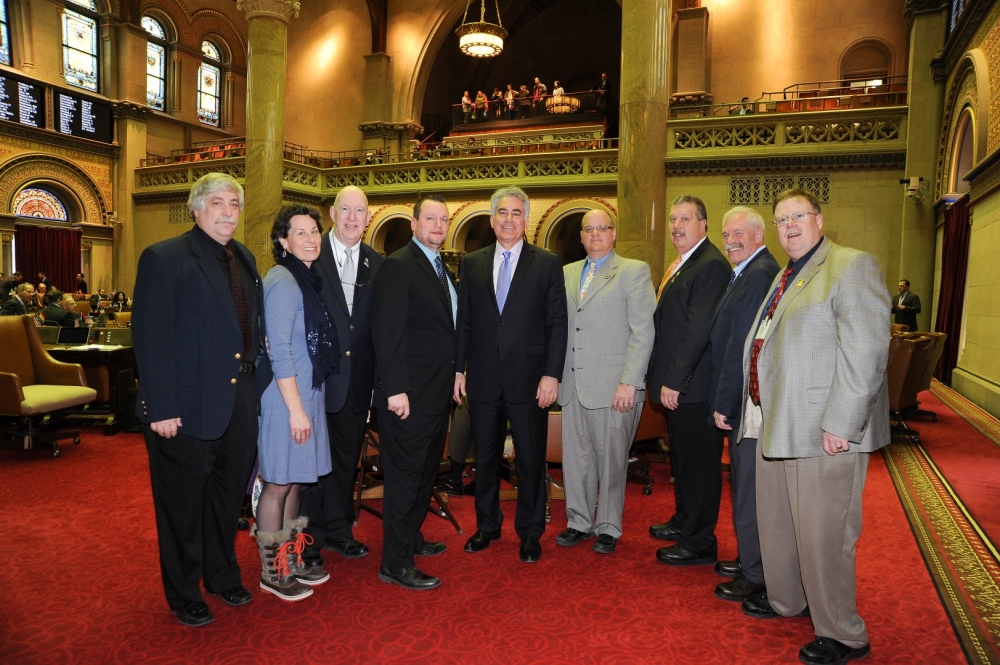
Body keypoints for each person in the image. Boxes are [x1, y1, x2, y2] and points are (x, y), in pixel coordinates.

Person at [738, 188, 889, 665]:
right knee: (779, 524)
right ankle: (788, 600)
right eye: (781, 220)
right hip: (776, 421)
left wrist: (842, 423)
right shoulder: (786, 274)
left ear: (820, 220)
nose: (789, 227)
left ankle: (843, 633)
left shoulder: (850, 265)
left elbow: (864, 352)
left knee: (825, 533)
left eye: (798, 217)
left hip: (825, 429)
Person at [132, 172, 263, 627]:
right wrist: (161, 406)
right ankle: (184, 591)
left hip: (238, 402)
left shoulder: (243, 257)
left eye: (234, 205)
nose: (228, 212)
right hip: (184, 409)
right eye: (219, 203)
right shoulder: (165, 258)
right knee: (183, 507)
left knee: (227, 501)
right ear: (196, 208)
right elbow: (150, 338)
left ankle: (222, 574)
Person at [454, 185, 568, 564]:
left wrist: (551, 375)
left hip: (530, 378)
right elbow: (465, 323)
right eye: (502, 212)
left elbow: (557, 322)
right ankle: (486, 526)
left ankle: (530, 531)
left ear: (526, 219)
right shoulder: (471, 263)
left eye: (516, 213)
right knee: (484, 456)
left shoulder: (547, 262)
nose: (508, 219)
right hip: (483, 376)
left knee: (531, 459)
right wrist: (458, 369)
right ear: (491, 219)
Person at [554, 209, 654, 554]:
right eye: (588, 229)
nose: (595, 233)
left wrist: (630, 381)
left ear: (614, 233)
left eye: (602, 227)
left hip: (615, 387)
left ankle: (609, 525)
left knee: (611, 460)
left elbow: (644, 332)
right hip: (573, 384)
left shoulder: (633, 271)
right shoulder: (565, 273)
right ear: (581, 237)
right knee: (577, 460)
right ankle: (578, 521)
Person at [253, 204, 338, 601]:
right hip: (286, 400)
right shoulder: (284, 281)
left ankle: (292, 558)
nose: (310, 239)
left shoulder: (307, 278)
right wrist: (296, 409)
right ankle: (272, 571)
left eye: (314, 232)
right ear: (283, 241)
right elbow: (281, 350)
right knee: (277, 483)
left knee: (295, 484)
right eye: (300, 233)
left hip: (304, 395)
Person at [371, 193, 455, 590]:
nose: (438, 226)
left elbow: (444, 332)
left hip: (437, 394)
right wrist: (396, 390)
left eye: (444, 220)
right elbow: (387, 336)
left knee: (424, 476)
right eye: (431, 219)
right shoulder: (398, 267)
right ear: (414, 224)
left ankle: (411, 538)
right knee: (405, 479)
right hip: (407, 398)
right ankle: (395, 562)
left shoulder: (441, 267)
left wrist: (457, 372)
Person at [299, 186, 384, 568]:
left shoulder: (376, 263)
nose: (352, 217)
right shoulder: (310, 256)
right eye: (345, 209)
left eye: (360, 211)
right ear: (332, 213)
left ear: (369, 218)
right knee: (312, 468)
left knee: (345, 463)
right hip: (316, 383)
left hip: (356, 385)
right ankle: (310, 541)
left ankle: (340, 530)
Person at [647, 195, 731, 566]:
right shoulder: (684, 263)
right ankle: (685, 520)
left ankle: (699, 541)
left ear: (703, 225)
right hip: (681, 387)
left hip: (694, 388)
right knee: (682, 460)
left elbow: (697, 331)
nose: (676, 226)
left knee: (700, 466)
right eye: (672, 219)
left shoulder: (710, 265)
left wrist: (675, 380)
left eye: (685, 219)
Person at [706, 207, 780, 601]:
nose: (730, 240)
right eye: (726, 233)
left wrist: (724, 402)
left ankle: (756, 574)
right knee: (742, 485)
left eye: (738, 233)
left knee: (750, 489)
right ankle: (750, 558)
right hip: (741, 398)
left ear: (758, 235)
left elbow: (741, 344)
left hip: (744, 402)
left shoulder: (759, 274)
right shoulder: (748, 271)